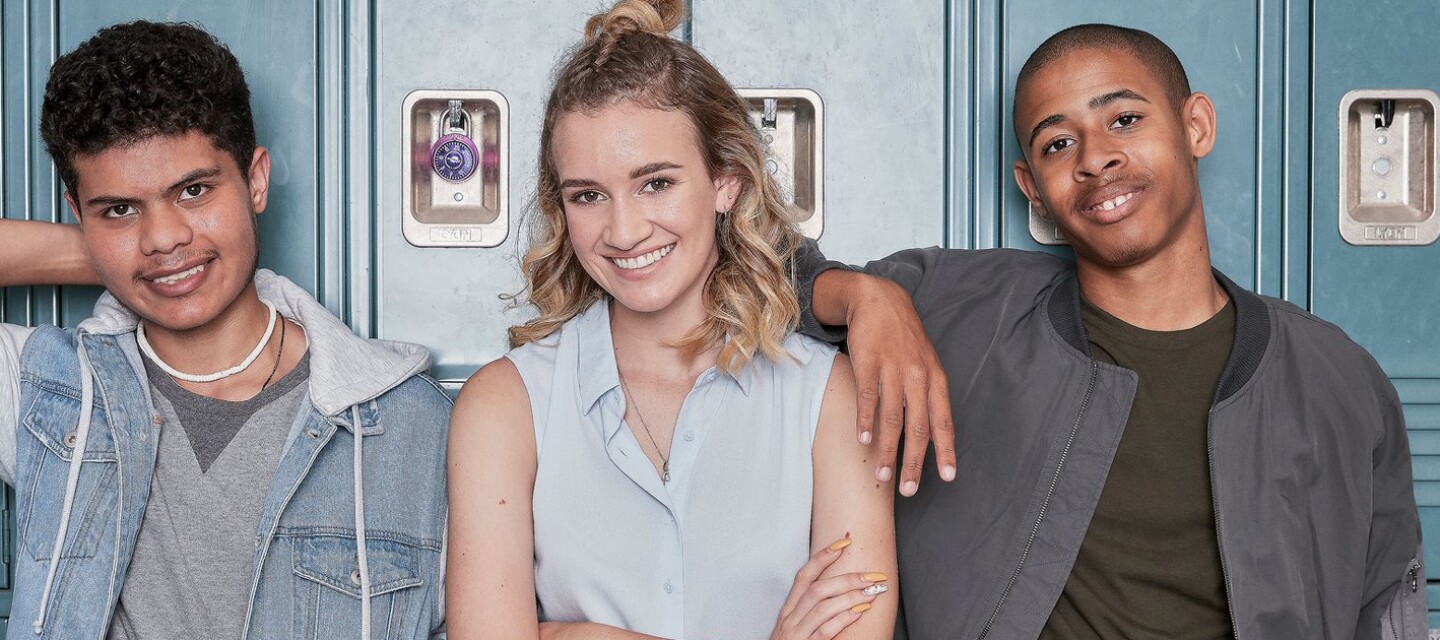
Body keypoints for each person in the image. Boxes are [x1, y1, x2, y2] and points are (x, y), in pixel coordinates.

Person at [796, 23, 1426, 640]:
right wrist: (861, 295)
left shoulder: (1337, 379)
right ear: (1033, 190)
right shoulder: (957, 306)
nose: (1096, 158)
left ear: (1195, 126)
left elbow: (1386, 606)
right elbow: (740, 270)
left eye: (1123, 119)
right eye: (1056, 144)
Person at [444, 1, 896, 639]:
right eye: (588, 195)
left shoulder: (828, 397)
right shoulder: (503, 406)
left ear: (725, 184)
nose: (624, 231)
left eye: (655, 183)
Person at [0, 21, 448, 639]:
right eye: (120, 209)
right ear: (79, 215)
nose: (162, 236)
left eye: (193, 191)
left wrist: (134, 252)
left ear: (255, 180)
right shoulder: (49, 393)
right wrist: (111, 257)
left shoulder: (411, 424)